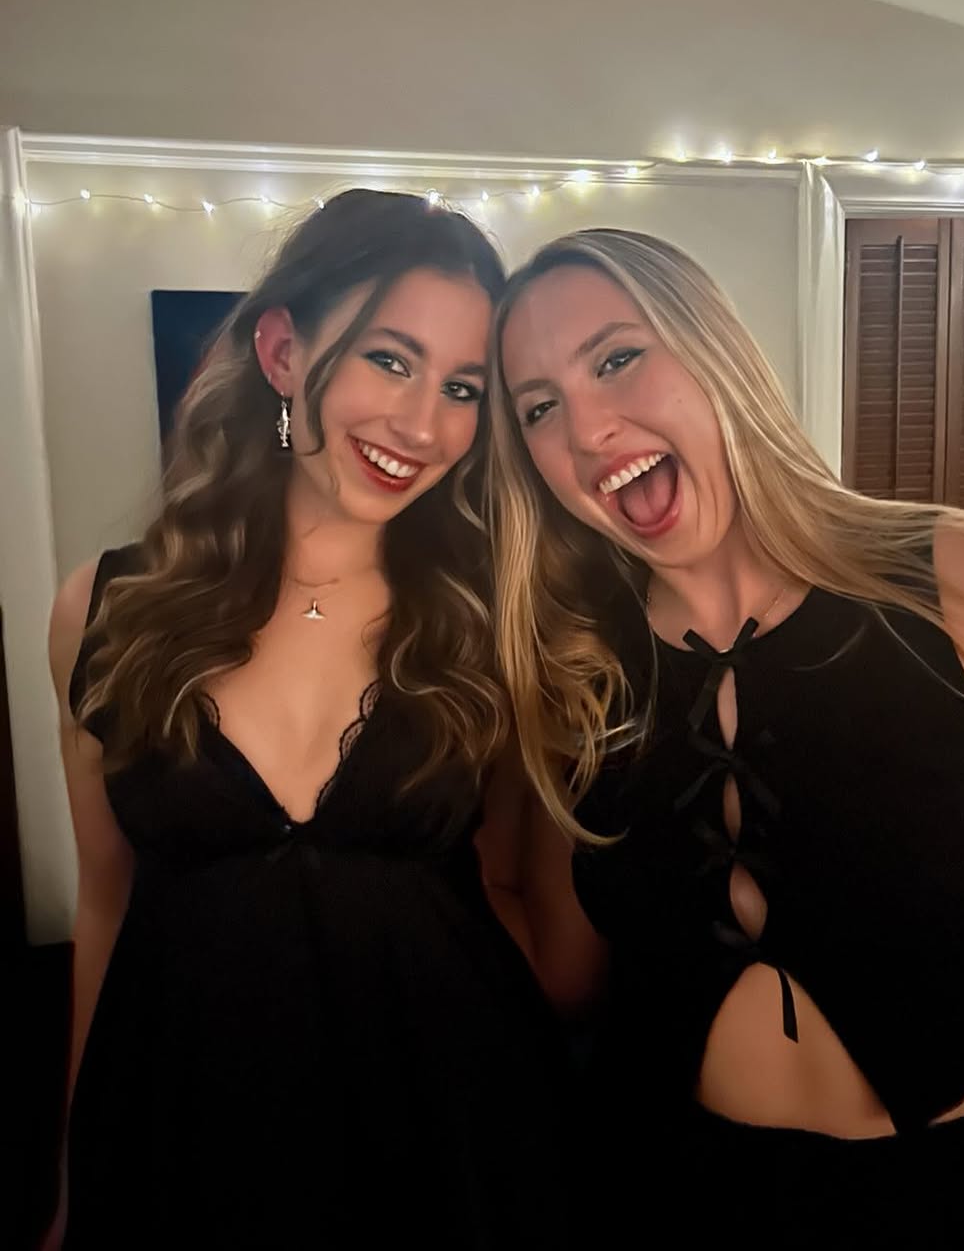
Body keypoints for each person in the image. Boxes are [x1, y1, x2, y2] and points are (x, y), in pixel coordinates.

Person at [486, 227, 964, 1246]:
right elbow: (564, 979)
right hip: (664, 1199)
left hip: (960, 1210)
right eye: (539, 407)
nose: (586, 429)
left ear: (715, 352)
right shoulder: (575, 674)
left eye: (617, 358)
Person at [47, 190, 579, 1250]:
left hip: (450, 1138)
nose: (422, 426)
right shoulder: (108, 609)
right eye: (389, 360)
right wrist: (72, 1174)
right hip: (183, 1132)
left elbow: (524, 900)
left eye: (463, 388)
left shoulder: (493, 618)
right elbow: (106, 906)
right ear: (284, 352)